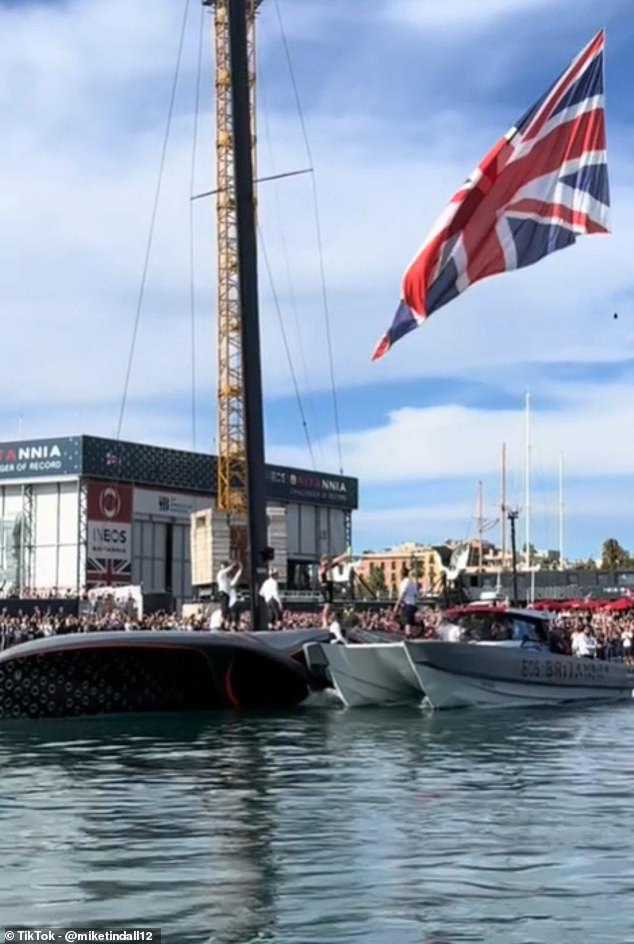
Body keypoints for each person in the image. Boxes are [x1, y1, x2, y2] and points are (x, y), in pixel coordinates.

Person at [319, 549, 350, 625]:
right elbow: (333, 562)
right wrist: (344, 555)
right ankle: (324, 619)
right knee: (328, 604)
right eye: (327, 560)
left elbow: (336, 562)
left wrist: (343, 559)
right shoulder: (323, 567)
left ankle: (326, 619)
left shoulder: (328, 566)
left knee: (331, 605)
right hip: (325, 586)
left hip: (329, 585)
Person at [394, 567, 418, 638]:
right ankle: (407, 634)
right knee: (407, 622)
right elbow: (415, 594)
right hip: (412, 604)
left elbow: (403, 593)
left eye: (400, 574)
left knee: (407, 622)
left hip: (406, 604)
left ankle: (408, 635)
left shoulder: (405, 582)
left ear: (402, 574)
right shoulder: (412, 582)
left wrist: (397, 605)